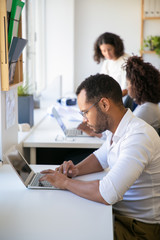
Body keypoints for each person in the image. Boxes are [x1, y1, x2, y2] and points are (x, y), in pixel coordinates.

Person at [40, 74, 160, 240]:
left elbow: (107, 193)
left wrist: (65, 182)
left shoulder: (139, 136)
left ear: (104, 104)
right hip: (119, 215)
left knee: (67, 229)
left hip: (138, 228)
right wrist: (75, 171)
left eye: (85, 112)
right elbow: (100, 158)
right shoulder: (118, 129)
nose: (84, 119)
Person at [124, 55, 160, 133]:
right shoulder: (146, 105)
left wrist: (95, 134)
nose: (127, 88)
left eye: (127, 84)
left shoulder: (148, 108)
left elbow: (125, 132)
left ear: (137, 85)